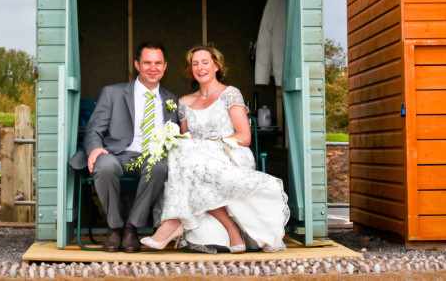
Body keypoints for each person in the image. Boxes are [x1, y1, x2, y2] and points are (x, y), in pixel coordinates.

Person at [141, 45, 289, 253]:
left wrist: (210, 143)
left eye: (205, 62)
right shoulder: (183, 102)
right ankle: (230, 229)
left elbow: (244, 137)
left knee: (186, 154)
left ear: (217, 66)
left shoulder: (230, 94)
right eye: (195, 64)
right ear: (190, 69)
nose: (200, 68)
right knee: (181, 149)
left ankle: (173, 222)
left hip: (230, 153)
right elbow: (185, 139)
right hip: (196, 161)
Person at [69, 42, 180, 253]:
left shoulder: (171, 99)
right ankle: (115, 227)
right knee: (105, 166)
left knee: (158, 166)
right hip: (116, 153)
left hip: (151, 156)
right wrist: (94, 149)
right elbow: (94, 130)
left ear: (165, 67)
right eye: (147, 62)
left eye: (158, 63)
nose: (152, 67)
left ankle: (131, 228)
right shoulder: (113, 93)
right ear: (137, 64)